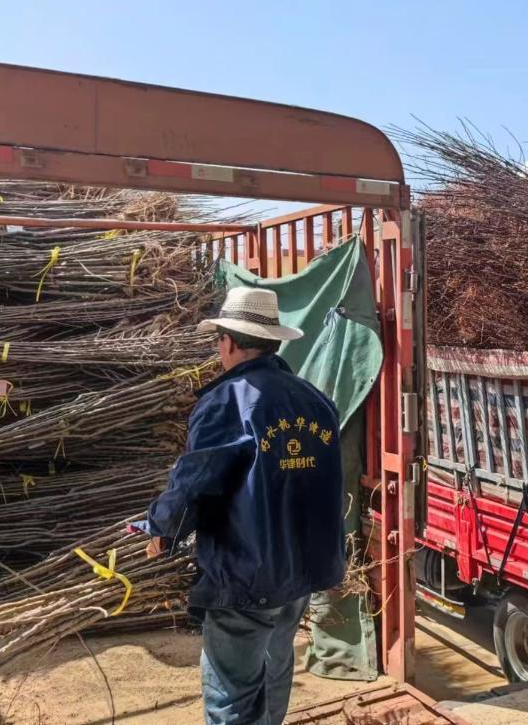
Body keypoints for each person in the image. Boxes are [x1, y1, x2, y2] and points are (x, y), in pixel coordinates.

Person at [144, 286, 345, 725]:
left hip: (247, 573)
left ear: (230, 341)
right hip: (301, 569)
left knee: (232, 693)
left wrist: (162, 528)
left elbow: (195, 479)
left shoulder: (227, 400)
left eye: (218, 339)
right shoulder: (314, 398)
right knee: (274, 672)